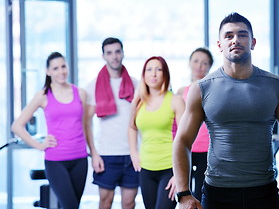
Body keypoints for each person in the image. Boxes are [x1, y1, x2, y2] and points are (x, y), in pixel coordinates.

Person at [172, 12, 279, 209]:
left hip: (264, 191)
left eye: (242, 34)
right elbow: (183, 141)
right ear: (219, 44)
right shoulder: (202, 88)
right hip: (217, 193)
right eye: (228, 36)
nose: (235, 40)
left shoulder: (276, 85)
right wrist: (184, 194)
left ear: (253, 42)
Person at [11, 52, 88, 209]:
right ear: (48, 71)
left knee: (73, 205)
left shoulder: (80, 93)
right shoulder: (43, 96)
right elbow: (17, 126)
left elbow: (85, 125)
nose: (61, 72)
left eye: (63, 66)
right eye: (55, 68)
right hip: (56, 161)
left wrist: (93, 152)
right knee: (70, 207)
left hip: (80, 159)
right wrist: (39, 145)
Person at [84, 37, 139, 209]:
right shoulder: (93, 85)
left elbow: (142, 120)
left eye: (117, 52)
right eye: (109, 53)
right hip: (107, 154)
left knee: (129, 203)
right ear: (103, 56)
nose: (114, 56)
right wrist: (94, 154)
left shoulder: (136, 84)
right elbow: (87, 122)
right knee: (105, 202)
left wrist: (141, 152)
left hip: (132, 155)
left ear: (123, 53)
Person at [128, 56, 185, 209]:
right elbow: (132, 127)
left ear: (165, 74)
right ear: (144, 75)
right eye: (149, 70)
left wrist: (179, 174)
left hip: (169, 168)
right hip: (145, 169)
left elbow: (185, 139)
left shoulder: (176, 101)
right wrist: (133, 152)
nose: (153, 74)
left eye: (158, 69)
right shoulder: (138, 101)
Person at [175, 47, 213, 202]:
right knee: (184, 194)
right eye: (196, 61)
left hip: (207, 149)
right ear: (189, 63)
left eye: (204, 63)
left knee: (200, 194)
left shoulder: (212, 89)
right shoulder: (181, 91)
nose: (199, 66)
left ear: (209, 66)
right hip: (187, 148)